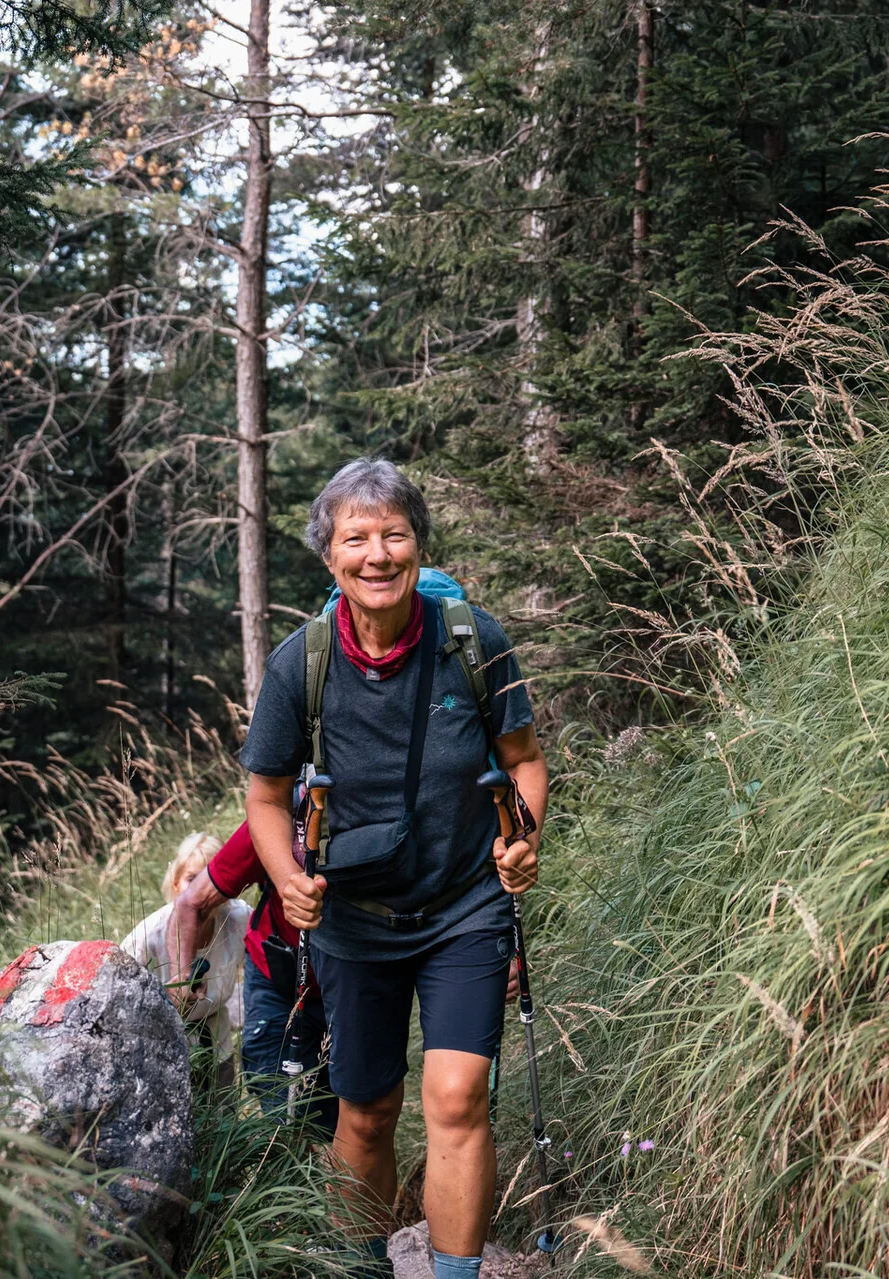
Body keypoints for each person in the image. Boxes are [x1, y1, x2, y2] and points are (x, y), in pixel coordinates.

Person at [239, 458, 548, 1279]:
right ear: (331, 556)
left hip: (463, 908)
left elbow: (524, 761)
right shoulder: (300, 664)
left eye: (394, 535)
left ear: (417, 545)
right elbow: (264, 795)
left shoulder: (471, 641)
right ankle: (365, 1269)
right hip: (351, 918)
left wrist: (523, 839)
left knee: (455, 1097)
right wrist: (289, 878)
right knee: (367, 1111)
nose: (377, 554)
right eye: (357, 538)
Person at [168, 821, 339, 1134]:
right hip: (278, 983)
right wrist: (180, 979)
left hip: (346, 988)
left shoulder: (237, 917)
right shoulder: (281, 817)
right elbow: (191, 903)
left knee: (342, 1116)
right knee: (281, 1115)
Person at [120, 832, 251, 1084]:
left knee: (224, 1117)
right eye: (192, 878)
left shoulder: (239, 918)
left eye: (209, 879)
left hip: (218, 1046)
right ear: (176, 882)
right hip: (164, 1055)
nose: (200, 890)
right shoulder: (147, 938)